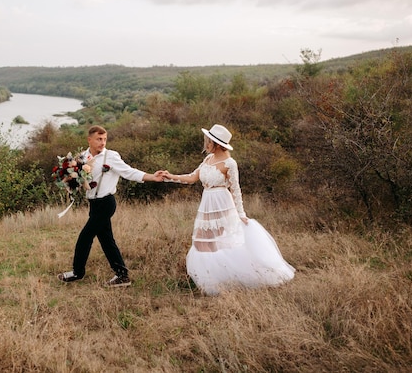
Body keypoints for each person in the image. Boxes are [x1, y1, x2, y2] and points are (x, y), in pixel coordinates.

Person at [160, 124, 295, 295]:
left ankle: (233, 277)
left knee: (223, 241)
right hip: (207, 203)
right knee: (203, 242)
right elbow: (192, 177)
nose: (205, 144)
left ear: (216, 144)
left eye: (208, 141)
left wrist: (241, 214)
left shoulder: (229, 163)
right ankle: (209, 278)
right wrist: (170, 176)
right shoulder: (207, 160)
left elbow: (235, 189)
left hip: (222, 203)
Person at [58, 125, 164, 287]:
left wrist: (152, 177)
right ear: (89, 140)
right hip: (93, 204)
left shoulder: (111, 156)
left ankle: (77, 273)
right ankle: (122, 275)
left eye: (105, 139)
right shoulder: (81, 157)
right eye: (99, 139)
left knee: (84, 238)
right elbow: (78, 179)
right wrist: (71, 182)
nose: (102, 142)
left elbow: (130, 172)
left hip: (106, 203)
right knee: (106, 240)